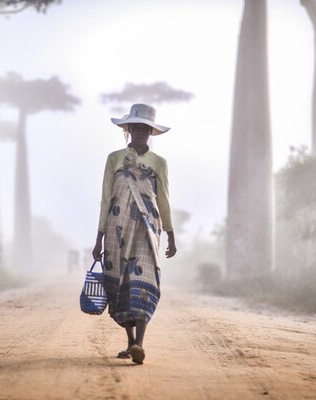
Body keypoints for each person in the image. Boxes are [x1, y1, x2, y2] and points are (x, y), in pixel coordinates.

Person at [92, 103, 177, 365]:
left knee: (145, 281)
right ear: (128, 129)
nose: (141, 132)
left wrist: (172, 235)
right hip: (116, 229)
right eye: (136, 127)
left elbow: (163, 200)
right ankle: (130, 342)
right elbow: (106, 198)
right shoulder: (114, 158)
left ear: (151, 132)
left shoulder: (159, 163)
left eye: (146, 128)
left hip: (148, 231)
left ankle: (140, 343)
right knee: (120, 283)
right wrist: (99, 236)